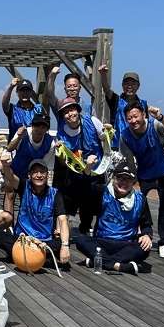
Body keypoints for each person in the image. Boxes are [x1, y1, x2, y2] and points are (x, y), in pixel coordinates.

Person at [75, 162, 152, 274]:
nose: (124, 182)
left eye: (128, 179)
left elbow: (146, 224)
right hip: (102, 241)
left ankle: (98, 260)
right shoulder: (103, 191)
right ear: (113, 178)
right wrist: (87, 169)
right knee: (81, 240)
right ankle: (117, 266)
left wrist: (146, 235)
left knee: (144, 248)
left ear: (133, 182)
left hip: (125, 243)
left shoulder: (140, 199)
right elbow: (85, 190)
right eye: (120, 178)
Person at [0, 157, 70, 266]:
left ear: (47, 175)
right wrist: (5, 166)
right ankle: (39, 259)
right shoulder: (24, 186)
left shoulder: (55, 194)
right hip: (22, 240)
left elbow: (63, 220)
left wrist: (65, 246)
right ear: (29, 175)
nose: (39, 175)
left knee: (61, 242)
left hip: (43, 242)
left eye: (42, 172)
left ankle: (21, 257)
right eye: (35, 172)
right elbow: (11, 177)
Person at [119, 101, 164, 258]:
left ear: (143, 115)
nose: (134, 120)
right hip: (144, 173)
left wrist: (160, 116)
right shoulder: (125, 135)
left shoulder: (155, 125)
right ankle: (137, 235)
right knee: (136, 203)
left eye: (136, 116)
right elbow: (130, 160)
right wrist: (133, 180)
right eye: (130, 118)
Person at [53, 97, 108, 234]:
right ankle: (63, 232)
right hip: (76, 174)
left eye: (72, 109)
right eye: (66, 112)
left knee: (96, 205)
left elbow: (106, 139)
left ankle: (95, 233)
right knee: (69, 203)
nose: (70, 114)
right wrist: (59, 154)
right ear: (62, 117)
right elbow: (62, 162)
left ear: (78, 110)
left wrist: (109, 130)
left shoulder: (92, 121)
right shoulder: (61, 132)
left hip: (97, 172)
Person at [98, 66, 148, 150]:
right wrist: (103, 75)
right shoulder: (116, 101)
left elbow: (146, 126)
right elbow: (107, 89)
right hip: (117, 147)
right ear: (122, 85)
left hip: (138, 148)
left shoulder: (143, 104)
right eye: (127, 83)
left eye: (133, 84)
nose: (129, 86)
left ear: (138, 86)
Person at [5, 112, 55, 181]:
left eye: (43, 127)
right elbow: (9, 148)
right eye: (37, 126)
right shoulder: (23, 133)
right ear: (32, 126)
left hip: (32, 176)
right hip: (15, 171)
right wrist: (19, 138)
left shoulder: (50, 143)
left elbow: (43, 165)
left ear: (47, 129)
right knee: (10, 191)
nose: (39, 130)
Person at [2, 77, 42, 142]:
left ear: (31, 92)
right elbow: (4, 103)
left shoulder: (39, 109)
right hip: (15, 148)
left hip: (34, 148)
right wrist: (11, 87)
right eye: (22, 90)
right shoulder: (12, 109)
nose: (25, 93)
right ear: (17, 93)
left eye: (27, 90)